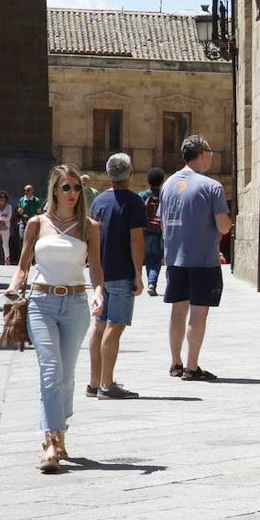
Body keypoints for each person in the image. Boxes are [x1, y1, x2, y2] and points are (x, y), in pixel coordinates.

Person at [6, 165, 104, 473]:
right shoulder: (37, 223)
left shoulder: (89, 226)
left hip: (75, 302)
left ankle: (60, 429)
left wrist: (99, 292)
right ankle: (51, 441)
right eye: (66, 187)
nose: (73, 193)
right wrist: (14, 284)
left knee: (67, 374)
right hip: (41, 301)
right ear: (54, 190)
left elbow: (97, 268)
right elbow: (23, 265)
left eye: (76, 187)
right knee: (50, 370)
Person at [160, 135, 231, 381]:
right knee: (198, 313)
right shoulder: (212, 187)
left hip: (174, 259)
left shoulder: (167, 185)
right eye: (210, 150)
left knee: (177, 310)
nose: (212, 155)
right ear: (202, 152)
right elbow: (223, 227)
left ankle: (175, 363)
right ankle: (192, 367)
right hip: (202, 259)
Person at [86, 153, 146, 400]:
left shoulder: (98, 201)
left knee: (100, 326)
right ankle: (107, 385)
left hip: (101, 272)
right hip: (122, 272)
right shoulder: (133, 202)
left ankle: (93, 382)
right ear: (130, 173)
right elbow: (136, 239)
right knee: (115, 325)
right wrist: (139, 274)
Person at [138, 168, 165, 296]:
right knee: (156, 258)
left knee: (149, 257)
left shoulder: (143, 195)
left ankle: (151, 282)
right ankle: (152, 283)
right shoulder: (165, 195)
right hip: (160, 231)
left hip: (146, 230)